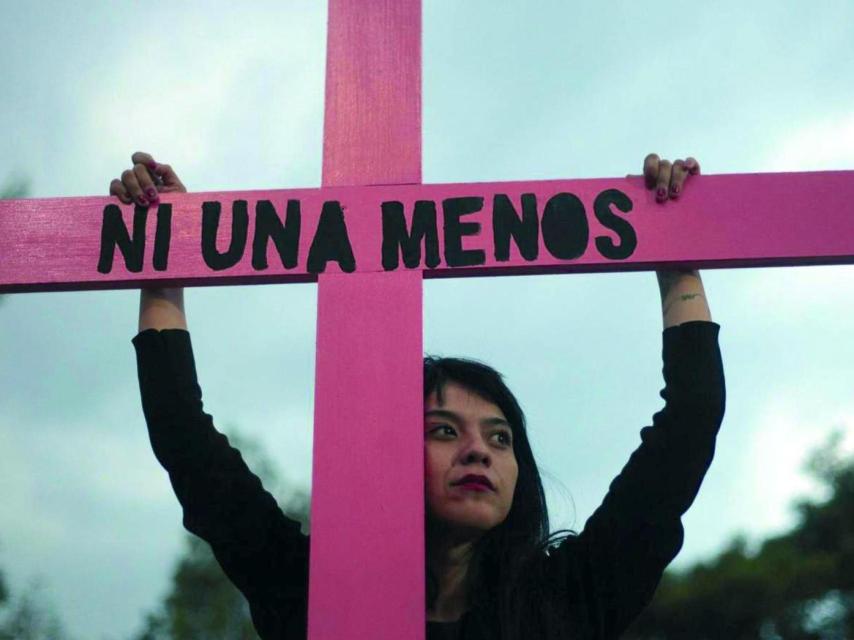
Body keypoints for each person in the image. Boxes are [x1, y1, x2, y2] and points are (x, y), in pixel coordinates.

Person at [115, 151, 725, 640]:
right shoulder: (309, 589)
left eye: (500, 437)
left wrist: (675, 255)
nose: (478, 452)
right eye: (443, 430)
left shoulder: (569, 597)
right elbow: (184, 436)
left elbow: (689, 424)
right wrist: (166, 256)